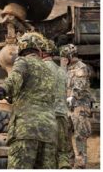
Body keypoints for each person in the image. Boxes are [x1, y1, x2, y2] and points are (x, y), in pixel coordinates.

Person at [0, 32, 58, 169]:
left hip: (26, 129)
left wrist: (3, 89)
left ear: (21, 49)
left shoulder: (23, 61)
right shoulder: (49, 71)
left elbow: (15, 77)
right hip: (49, 130)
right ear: (39, 50)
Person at [59, 44, 92, 169]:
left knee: (79, 135)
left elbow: (80, 84)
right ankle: (70, 161)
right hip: (67, 107)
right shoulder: (67, 68)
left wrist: (73, 96)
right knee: (66, 135)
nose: (63, 59)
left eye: (65, 57)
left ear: (71, 56)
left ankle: (81, 163)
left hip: (80, 106)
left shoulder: (81, 68)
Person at [42, 40, 71, 169]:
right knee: (63, 152)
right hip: (62, 115)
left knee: (48, 154)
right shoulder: (61, 71)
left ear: (41, 53)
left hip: (47, 116)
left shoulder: (39, 69)